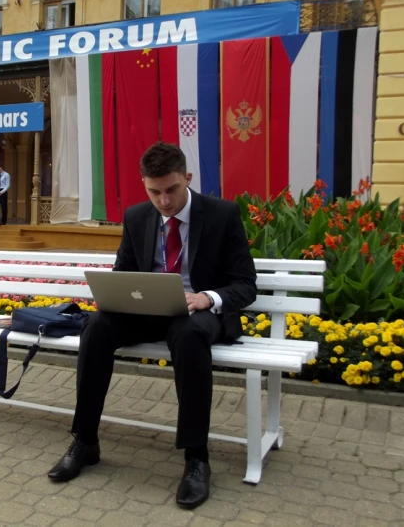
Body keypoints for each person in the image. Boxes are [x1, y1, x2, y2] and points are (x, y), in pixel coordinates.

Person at [47, 142, 257, 510]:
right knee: (96, 327)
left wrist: (207, 297)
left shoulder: (223, 214)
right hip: (149, 309)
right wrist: (121, 294)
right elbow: (123, 272)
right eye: (154, 191)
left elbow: (245, 283)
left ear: (187, 178)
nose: (163, 200)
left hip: (198, 314)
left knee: (190, 335)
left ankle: (196, 457)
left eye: (171, 190)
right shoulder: (136, 216)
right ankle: (85, 440)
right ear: (144, 185)